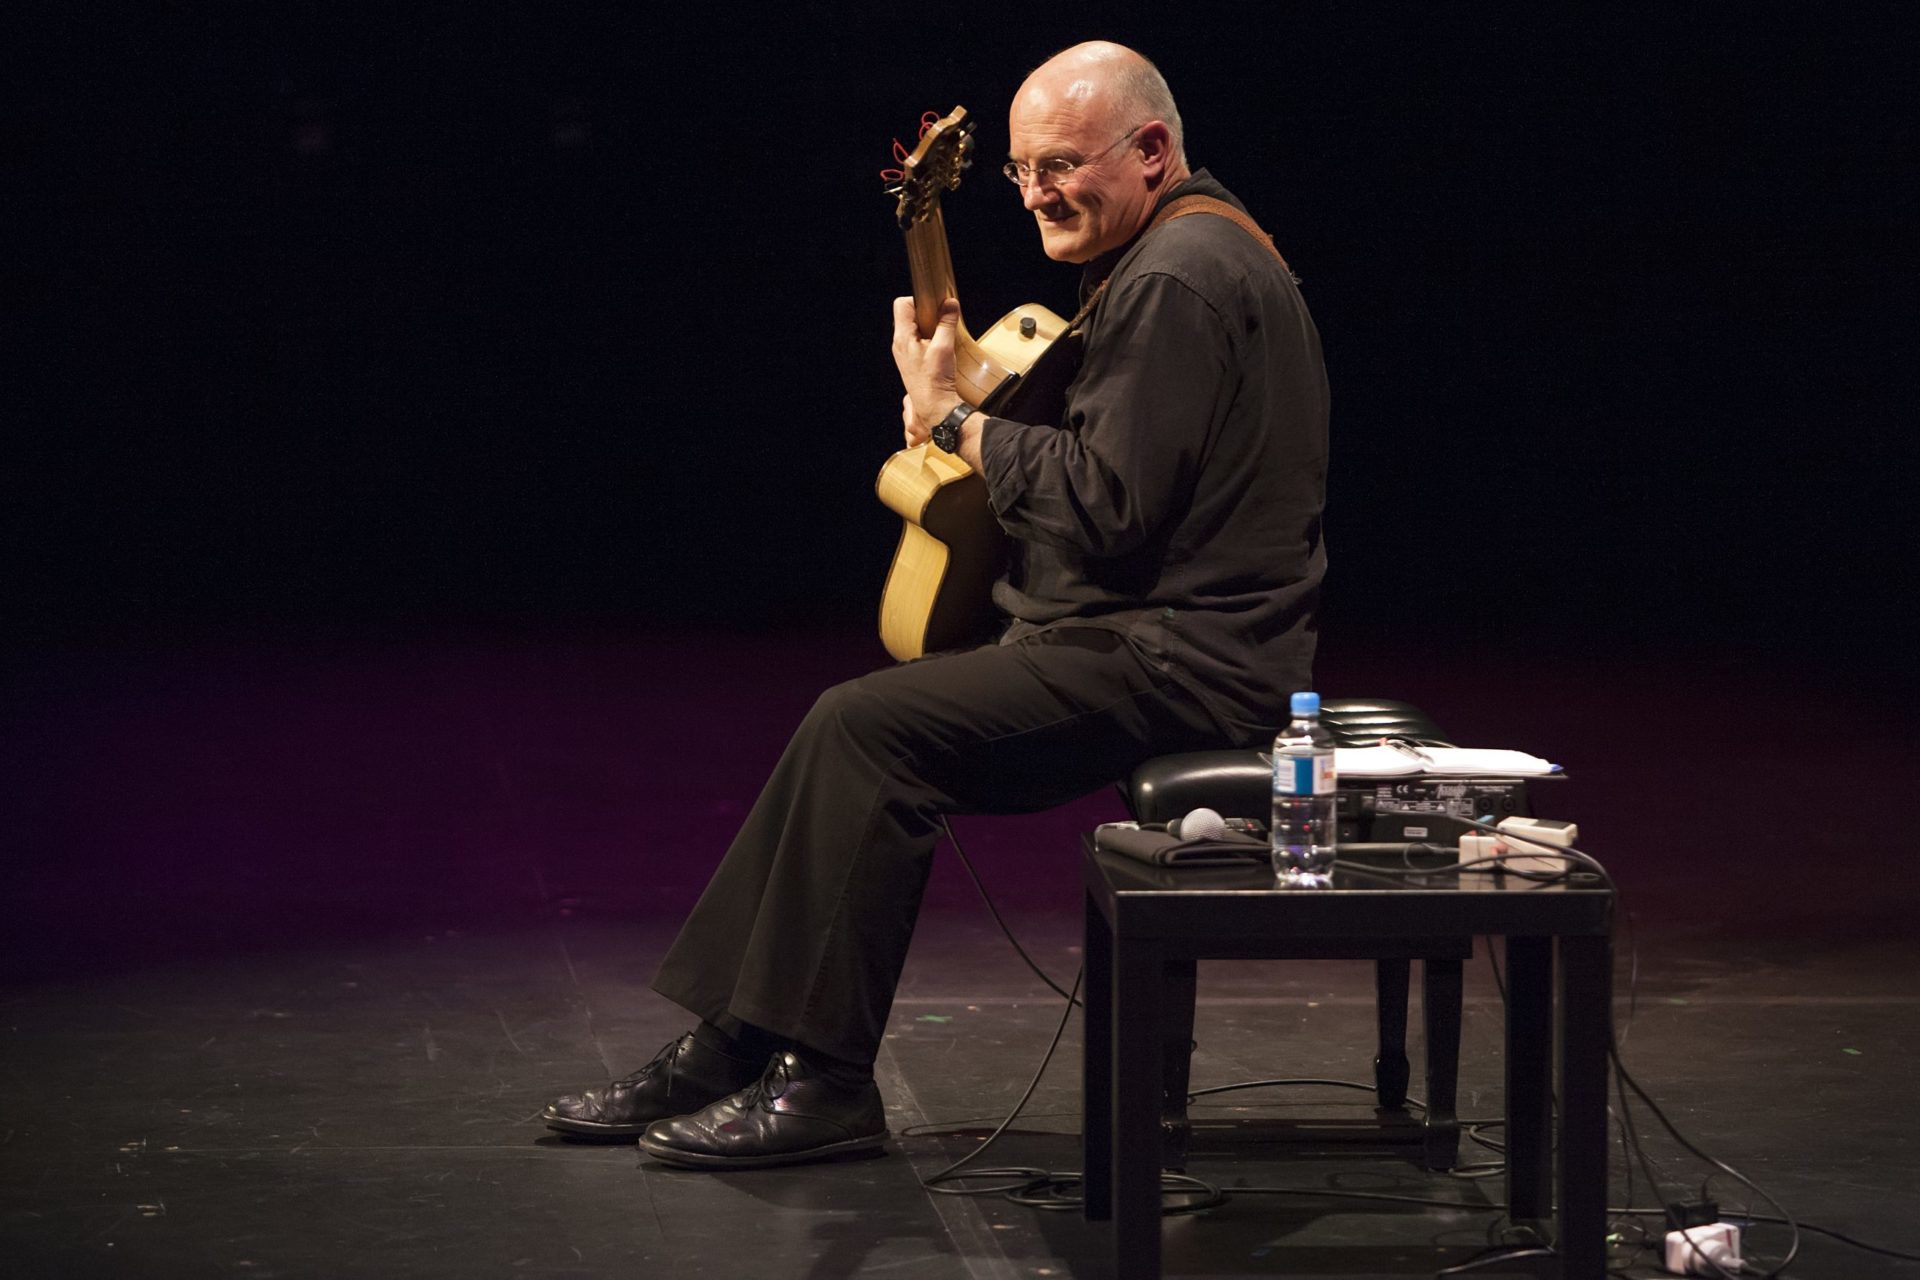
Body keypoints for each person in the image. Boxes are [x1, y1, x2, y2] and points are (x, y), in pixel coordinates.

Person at [543, 39, 1328, 1170]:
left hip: (1184, 659)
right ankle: (732, 1045)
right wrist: (980, 403)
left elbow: (1107, 506)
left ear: (1152, 150)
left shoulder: (1176, 276)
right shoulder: (1192, 250)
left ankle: (822, 1079)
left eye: (1060, 164)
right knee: (849, 721)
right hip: (1153, 634)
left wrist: (957, 425)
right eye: (1021, 173)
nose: (1038, 194)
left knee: (869, 728)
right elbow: (1121, 466)